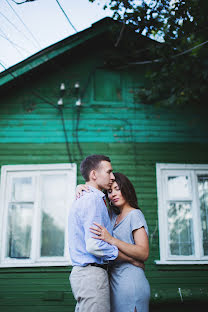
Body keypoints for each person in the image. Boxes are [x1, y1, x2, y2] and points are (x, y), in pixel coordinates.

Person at [68, 155, 143, 312]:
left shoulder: (90, 199)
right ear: (94, 175)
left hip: (88, 275)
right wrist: (129, 259)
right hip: (92, 275)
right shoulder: (92, 200)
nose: (112, 176)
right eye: (109, 172)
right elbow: (95, 245)